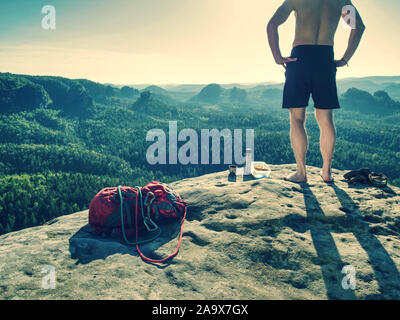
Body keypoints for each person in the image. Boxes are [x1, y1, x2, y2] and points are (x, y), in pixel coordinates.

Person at [267, 0, 365, 183]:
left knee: (297, 118)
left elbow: (272, 25)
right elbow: (358, 27)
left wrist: (277, 56)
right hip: (324, 59)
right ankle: (326, 172)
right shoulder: (340, 1)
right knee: (326, 118)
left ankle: (301, 173)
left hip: (300, 59)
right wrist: (344, 59)